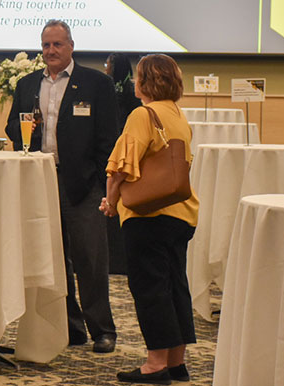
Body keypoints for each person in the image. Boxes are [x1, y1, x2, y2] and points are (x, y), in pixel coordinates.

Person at [5, 19, 119, 353]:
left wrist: (100, 181)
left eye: (57, 45)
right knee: (53, 259)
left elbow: (109, 136)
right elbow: (12, 125)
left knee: (90, 259)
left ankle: (103, 330)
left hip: (83, 186)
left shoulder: (96, 83)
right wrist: (28, 127)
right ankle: (71, 328)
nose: (50, 51)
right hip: (40, 183)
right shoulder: (27, 84)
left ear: (71, 46)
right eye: (45, 45)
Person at [100, 54, 198, 385]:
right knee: (175, 286)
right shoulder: (178, 115)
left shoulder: (143, 114)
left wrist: (110, 201)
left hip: (148, 213)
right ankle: (176, 362)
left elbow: (122, 165)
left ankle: (156, 363)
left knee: (150, 287)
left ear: (143, 82)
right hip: (180, 214)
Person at [104, 53, 140, 276]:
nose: (105, 66)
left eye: (108, 63)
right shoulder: (129, 90)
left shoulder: (115, 91)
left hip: (118, 154)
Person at [106, 53, 142, 132]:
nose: (106, 69)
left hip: (126, 130)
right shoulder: (107, 85)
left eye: (107, 65)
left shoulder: (132, 90)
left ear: (114, 67)